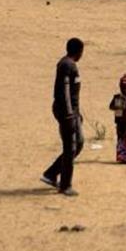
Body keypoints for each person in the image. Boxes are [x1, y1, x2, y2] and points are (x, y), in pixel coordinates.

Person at [41, 37, 85, 196]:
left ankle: (51, 173)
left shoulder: (69, 65)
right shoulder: (67, 66)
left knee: (78, 143)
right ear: (79, 51)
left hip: (72, 112)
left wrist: (77, 114)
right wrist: (68, 116)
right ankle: (65, 185)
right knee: (70, 147)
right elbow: (65, 92)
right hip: (66, 113)